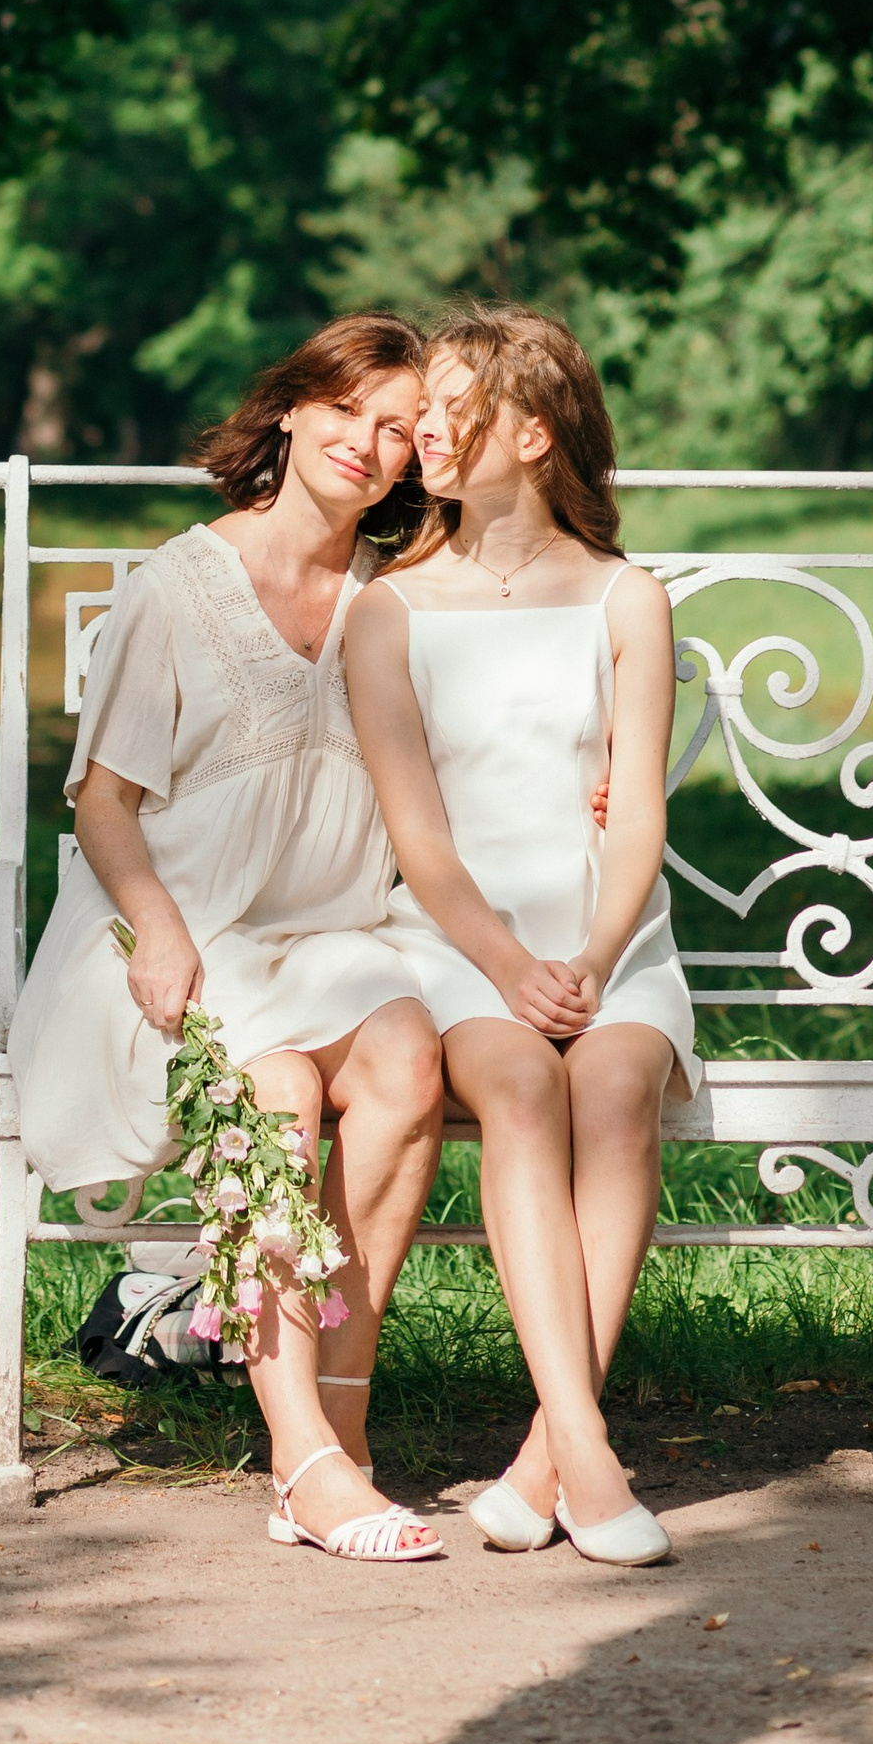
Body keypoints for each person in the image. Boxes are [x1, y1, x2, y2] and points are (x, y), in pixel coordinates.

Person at [8, 313, 451, 1560]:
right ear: (296, 410)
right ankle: (303, 1456)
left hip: (330, 933)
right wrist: (156, 930)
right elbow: (104, 801)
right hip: (173, 940)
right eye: (353, 412)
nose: (372, 446)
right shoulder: (181, 584)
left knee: (407, 1065)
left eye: (404, 433)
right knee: (274, 1097)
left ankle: (343, 1441)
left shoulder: (392, 602)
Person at [346, 303, 697, 1569]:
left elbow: (639, 805)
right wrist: (507, 967)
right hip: (456, 945)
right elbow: (420, 838)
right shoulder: (391, 609)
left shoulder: (625, 597)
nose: (422, 431)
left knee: (611, 1091)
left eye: (453, 408)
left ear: (533, 433)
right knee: (518, 1088)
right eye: (420, 410)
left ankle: (545, 1460)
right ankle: (590, 1463)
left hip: (608, 935)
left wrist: (598, 962)